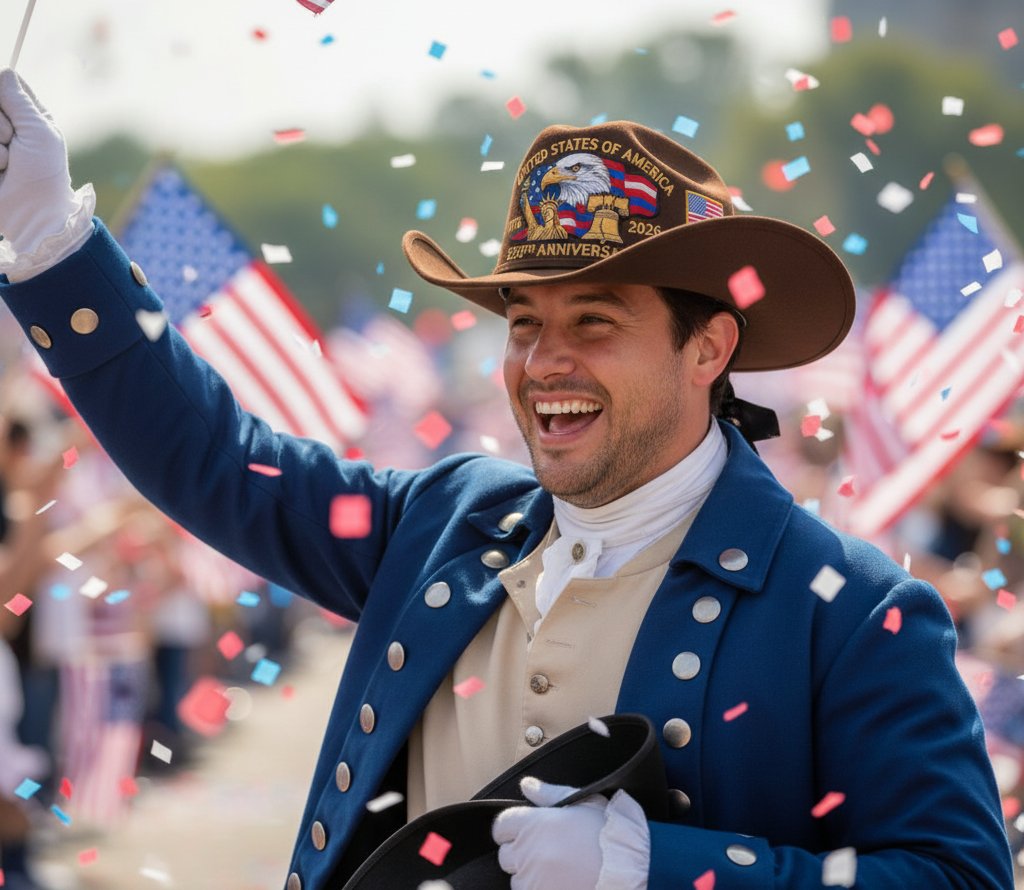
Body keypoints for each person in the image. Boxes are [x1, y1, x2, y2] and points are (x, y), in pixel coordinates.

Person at [0, 67, 1012, 890]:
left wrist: (658, 866)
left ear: (708, 350)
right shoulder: (444, 521)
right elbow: (215, 459)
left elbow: (958, 877)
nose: (543, 363)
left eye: (594, 322)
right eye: (525, 323)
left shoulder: (848, 609)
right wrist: (55, 243)